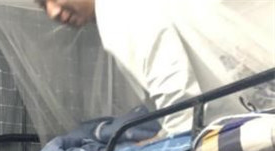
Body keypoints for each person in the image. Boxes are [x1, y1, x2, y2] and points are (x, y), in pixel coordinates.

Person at [37, 0, 274, 134]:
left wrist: (178, 139)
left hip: (226, 121)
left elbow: (170, 75)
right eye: (43, 5)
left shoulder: (118, 11)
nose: (52, 12)